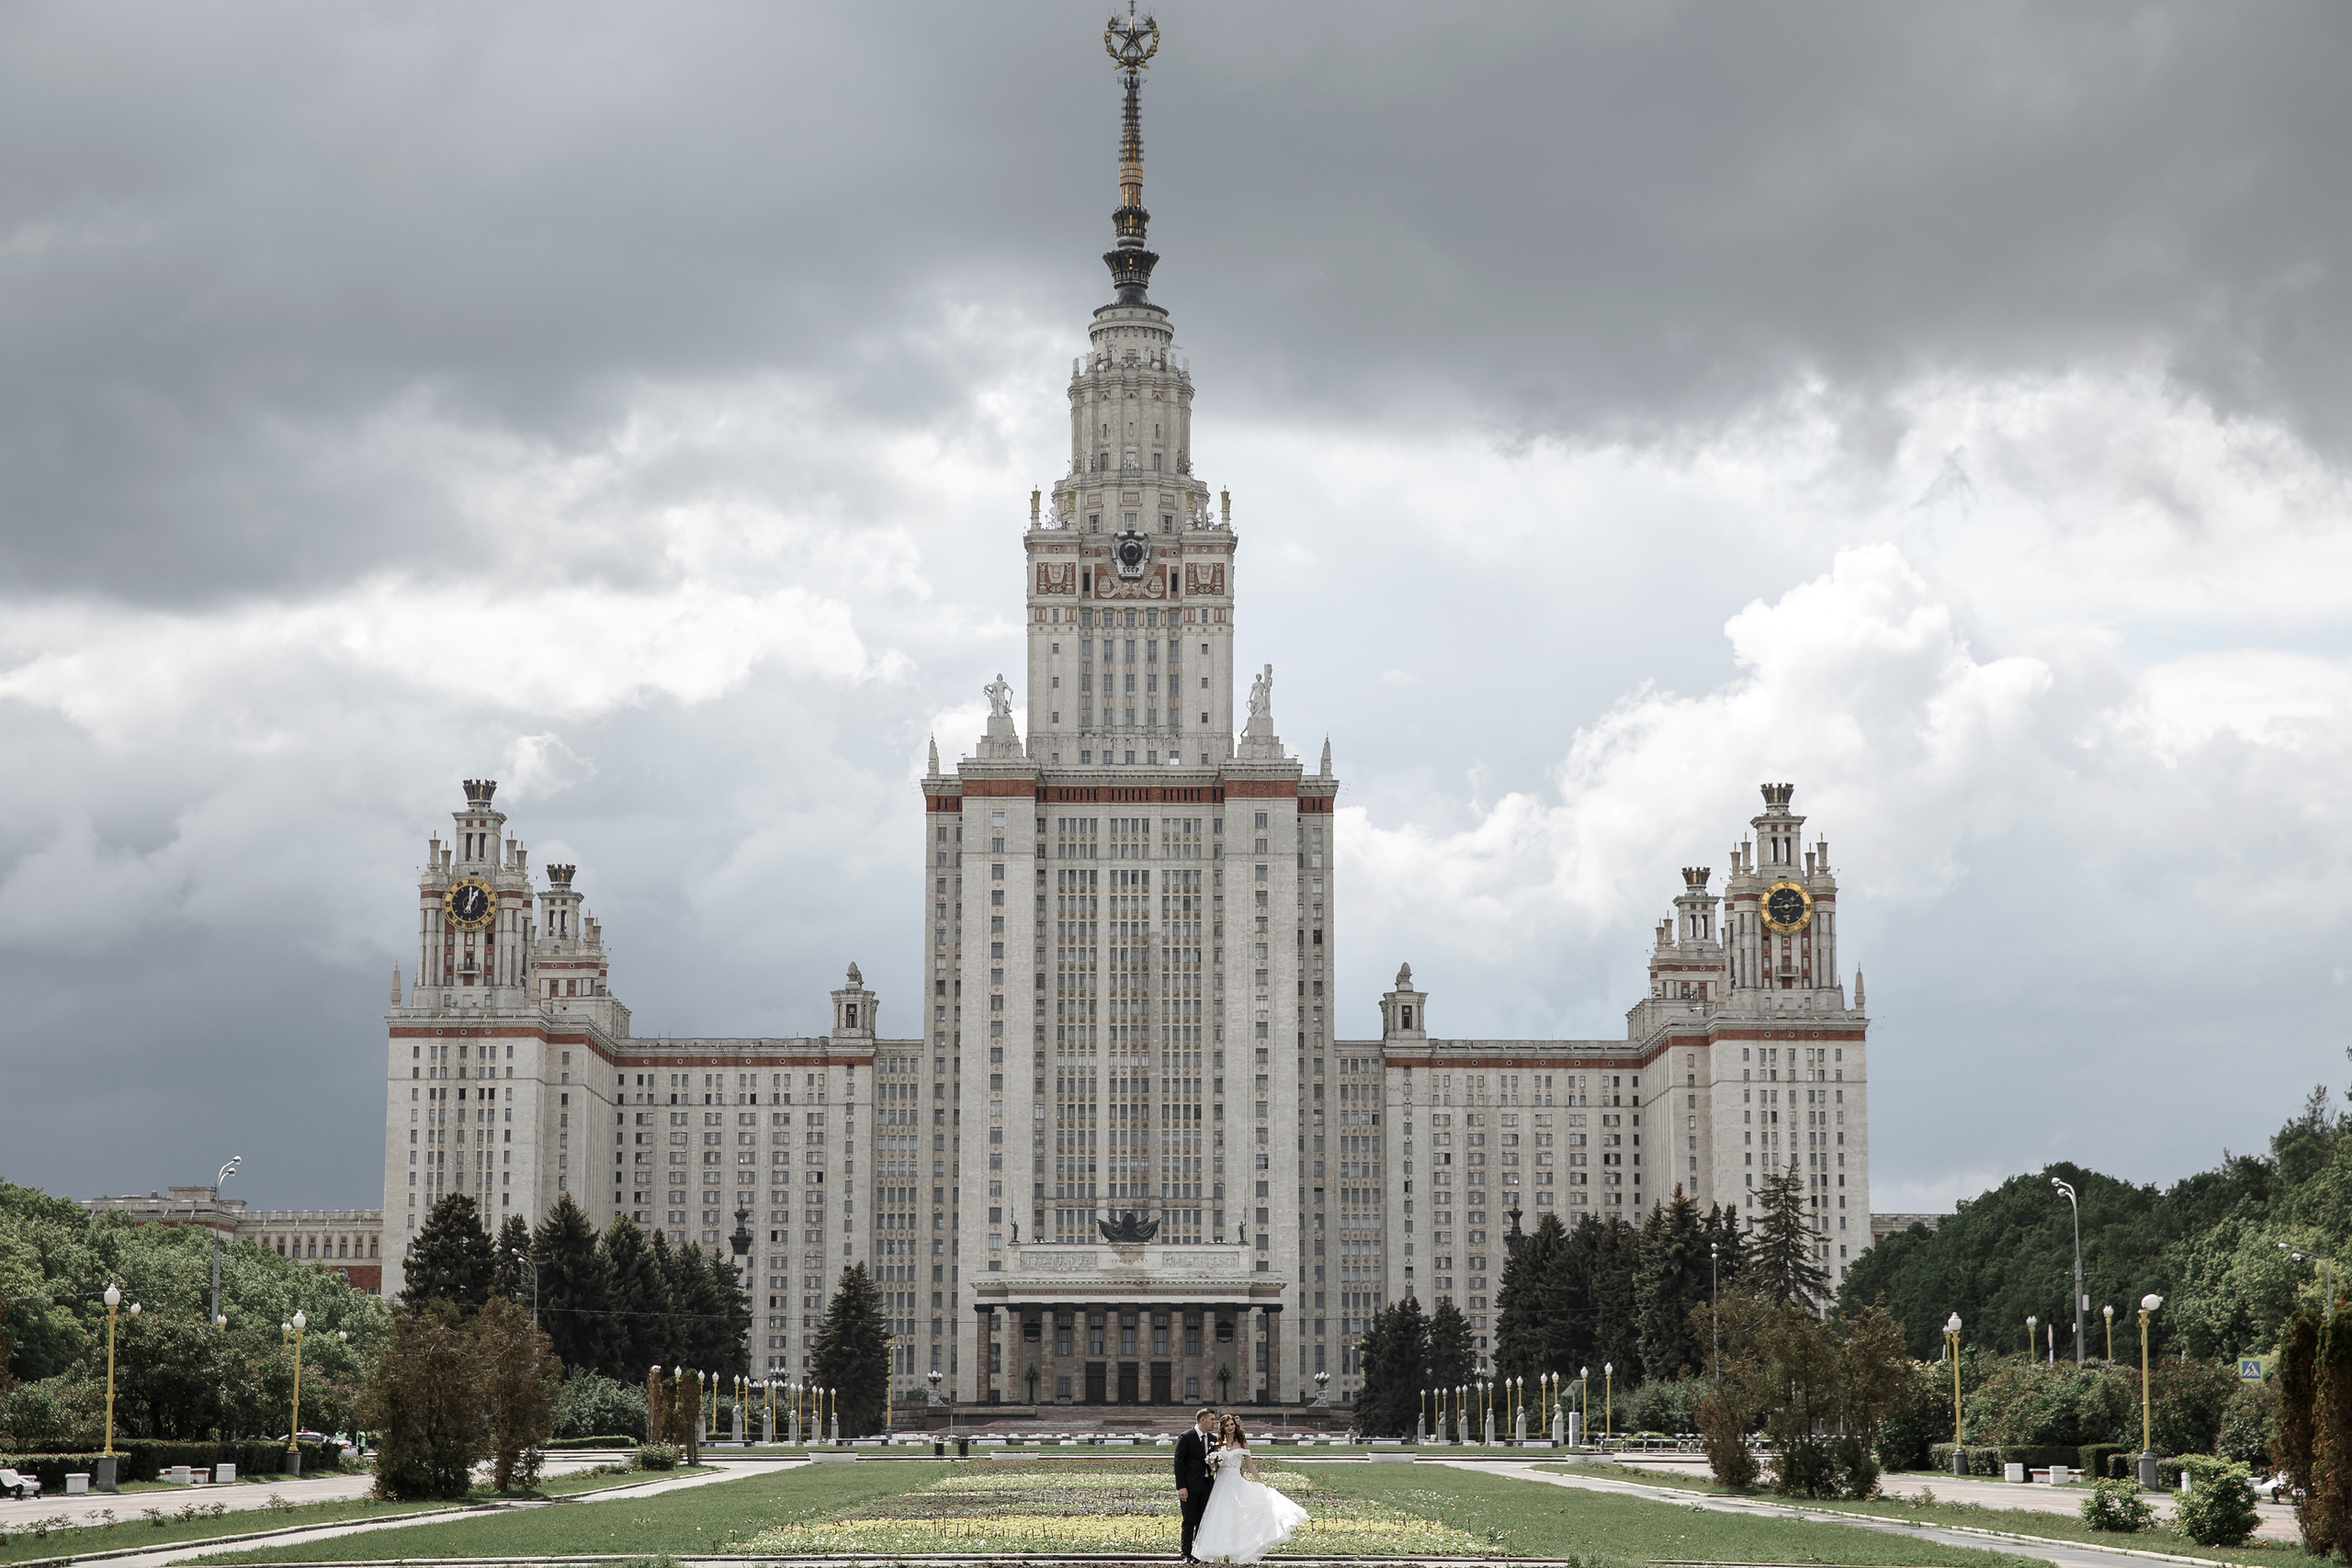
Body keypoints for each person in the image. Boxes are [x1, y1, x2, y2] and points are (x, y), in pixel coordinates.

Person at [1189, 1415, 1309, 1564]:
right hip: (1221, 1484)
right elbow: (1216, 1465)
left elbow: (1250, 1465)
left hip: (1235, 1481)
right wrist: (1214, 1465)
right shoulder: (1218, 1443)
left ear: (1235, 1426)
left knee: (1237, 1516)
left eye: (1232, 1424)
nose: (1230, 1427)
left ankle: (1235, 1553)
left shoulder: (1242, 1442)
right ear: (1223, 1428)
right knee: (1221, 1518)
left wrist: (1260, 1482)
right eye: (1227, 1425)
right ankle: (1223, 1553)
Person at [1173, 1405, 1218, 1562]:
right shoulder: (1186, 1437)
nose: (1215, 1422)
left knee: (1202, 1522)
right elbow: (1178, 1464)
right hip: (1189, 1487)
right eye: (1212, 1419)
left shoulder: (1213, 1440)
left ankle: (1198, 1554)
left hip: (1206, 1486)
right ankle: (1185, 1554)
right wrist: (1181, 1487)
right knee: (1189, 1521)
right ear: (1202, 1420)